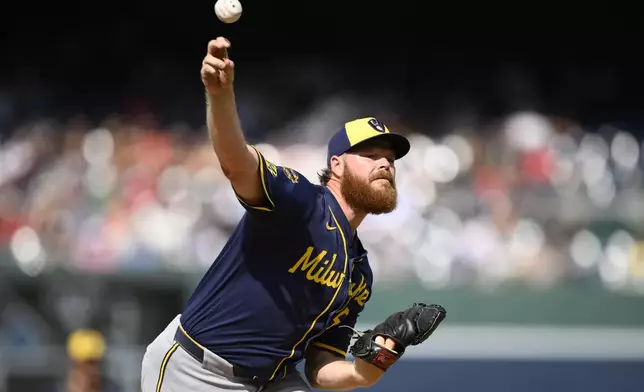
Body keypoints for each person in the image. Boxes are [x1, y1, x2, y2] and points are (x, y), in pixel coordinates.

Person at [141, 36, 444, 392]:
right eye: (370, 154)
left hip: (272, 380)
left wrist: (367, 370)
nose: (384, 164)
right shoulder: (300, 201)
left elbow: (321, 366)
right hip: (199, 370)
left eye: (390, 160)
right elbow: (237, 163)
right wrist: (220, 97)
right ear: (336, 165)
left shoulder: (358, 273)